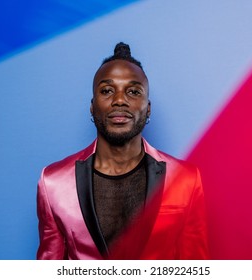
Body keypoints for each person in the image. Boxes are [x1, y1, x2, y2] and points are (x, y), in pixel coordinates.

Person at [36, 42, 209, 260]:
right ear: (92, 106)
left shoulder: (185, 179)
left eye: (133, 91)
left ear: (148, 109)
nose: (119, 100)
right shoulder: (53, 182)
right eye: (107, 91)